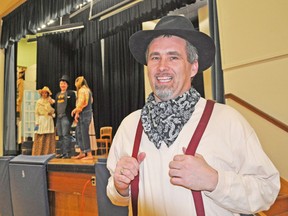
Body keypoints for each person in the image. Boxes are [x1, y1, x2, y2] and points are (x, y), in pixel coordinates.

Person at [106, 15, 280, 216]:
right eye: (155, 57)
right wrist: (119, 186)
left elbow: (267, 189)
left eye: (173, 57)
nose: (162, 66)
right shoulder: (129, 126)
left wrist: (215, 181)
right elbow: (115, 195)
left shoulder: (227, 121)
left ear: (193, 67)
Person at [71, 76, 93, 160]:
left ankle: (89, 154)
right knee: (79, 132)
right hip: (86, 113)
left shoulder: (82, 90)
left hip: (84, 114)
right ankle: (82, 152)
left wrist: (76, 110)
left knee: (83, 133)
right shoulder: (88, 90)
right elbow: (90, 101)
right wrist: (77, 113)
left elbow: (82, 102)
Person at [55, 75, 76, 159]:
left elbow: (73, 105)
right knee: (60, 135)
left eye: (64, 83)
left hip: (65, 117)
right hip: (58, 117)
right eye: (61, 83)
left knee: (65, 135)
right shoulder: (57, 95)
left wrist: (73, 117)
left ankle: (67, 153)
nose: (62, 85)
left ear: (67, 85)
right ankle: (61, 152)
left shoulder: (71, 93)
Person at [32, 86, 56, 155]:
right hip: (41, 120)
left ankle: (48, 152)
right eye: (43, 93)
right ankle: (39, 152)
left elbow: (55, 111)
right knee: (40, 136)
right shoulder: (38, 102)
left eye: (46, 93)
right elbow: (36, 113)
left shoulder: (52, 101)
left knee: (48, 136)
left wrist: (52, 111)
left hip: (49, 120)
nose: (44, 94)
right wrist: (36, 122)